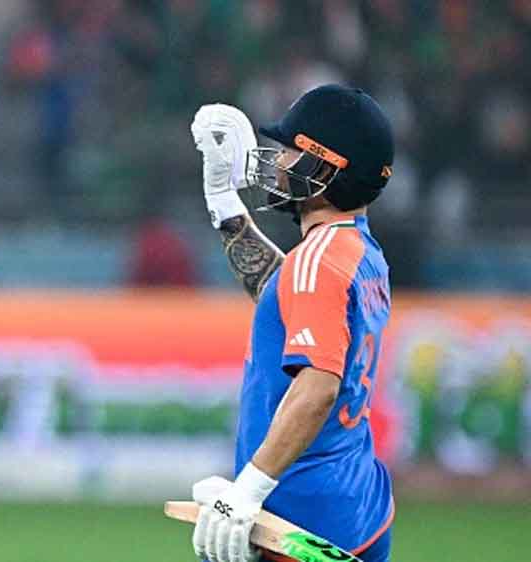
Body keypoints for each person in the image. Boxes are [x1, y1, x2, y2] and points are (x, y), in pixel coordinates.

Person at [187, 85, 395, 562]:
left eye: (289, 151)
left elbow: (318, 387)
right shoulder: (358, 252)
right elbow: (286, 301)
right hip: (356, 505)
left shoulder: (318, 260)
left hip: (301, 523)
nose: (277, 161)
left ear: (324, 168)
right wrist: (223, 202)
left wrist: (247, 490)